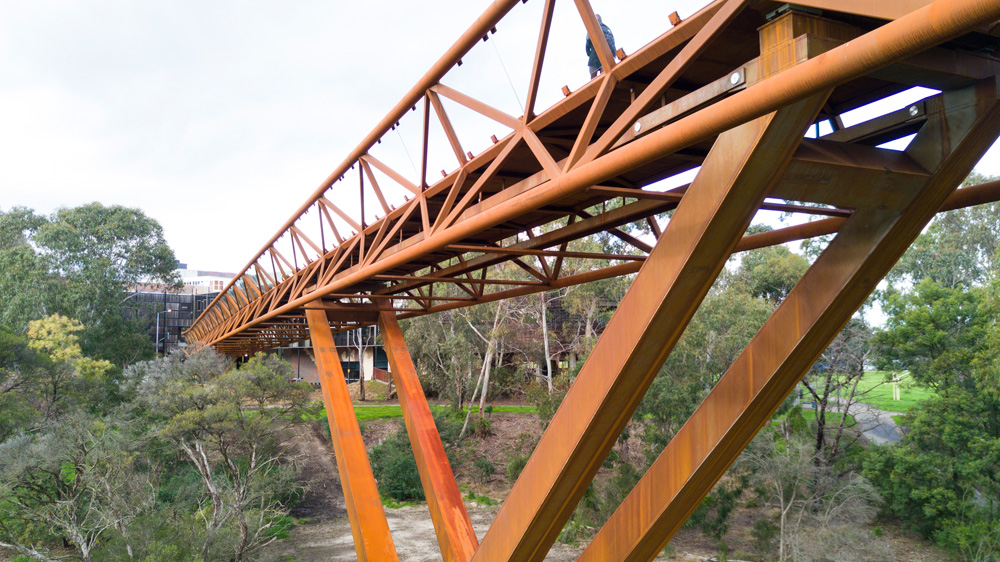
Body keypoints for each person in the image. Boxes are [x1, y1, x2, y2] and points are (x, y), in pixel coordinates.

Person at [585, 14, 616, 79]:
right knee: (604, 77)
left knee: (593, 78)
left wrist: (589, 53)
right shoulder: (607, 28)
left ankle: (595, 87)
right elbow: (612, 42)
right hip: (607, 55)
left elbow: (588, 42)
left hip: (595, 55)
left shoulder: (591, 27)